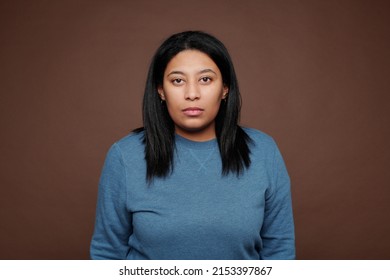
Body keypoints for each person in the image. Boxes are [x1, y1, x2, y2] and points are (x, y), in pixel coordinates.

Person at [90, 31, 295, 260]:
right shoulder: (125, 156)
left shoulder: (263, 152)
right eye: (178, 81)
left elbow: (279, 252)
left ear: (225, 88)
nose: (192, 94)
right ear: (161, 90)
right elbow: (106, 254)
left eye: (205, 79)